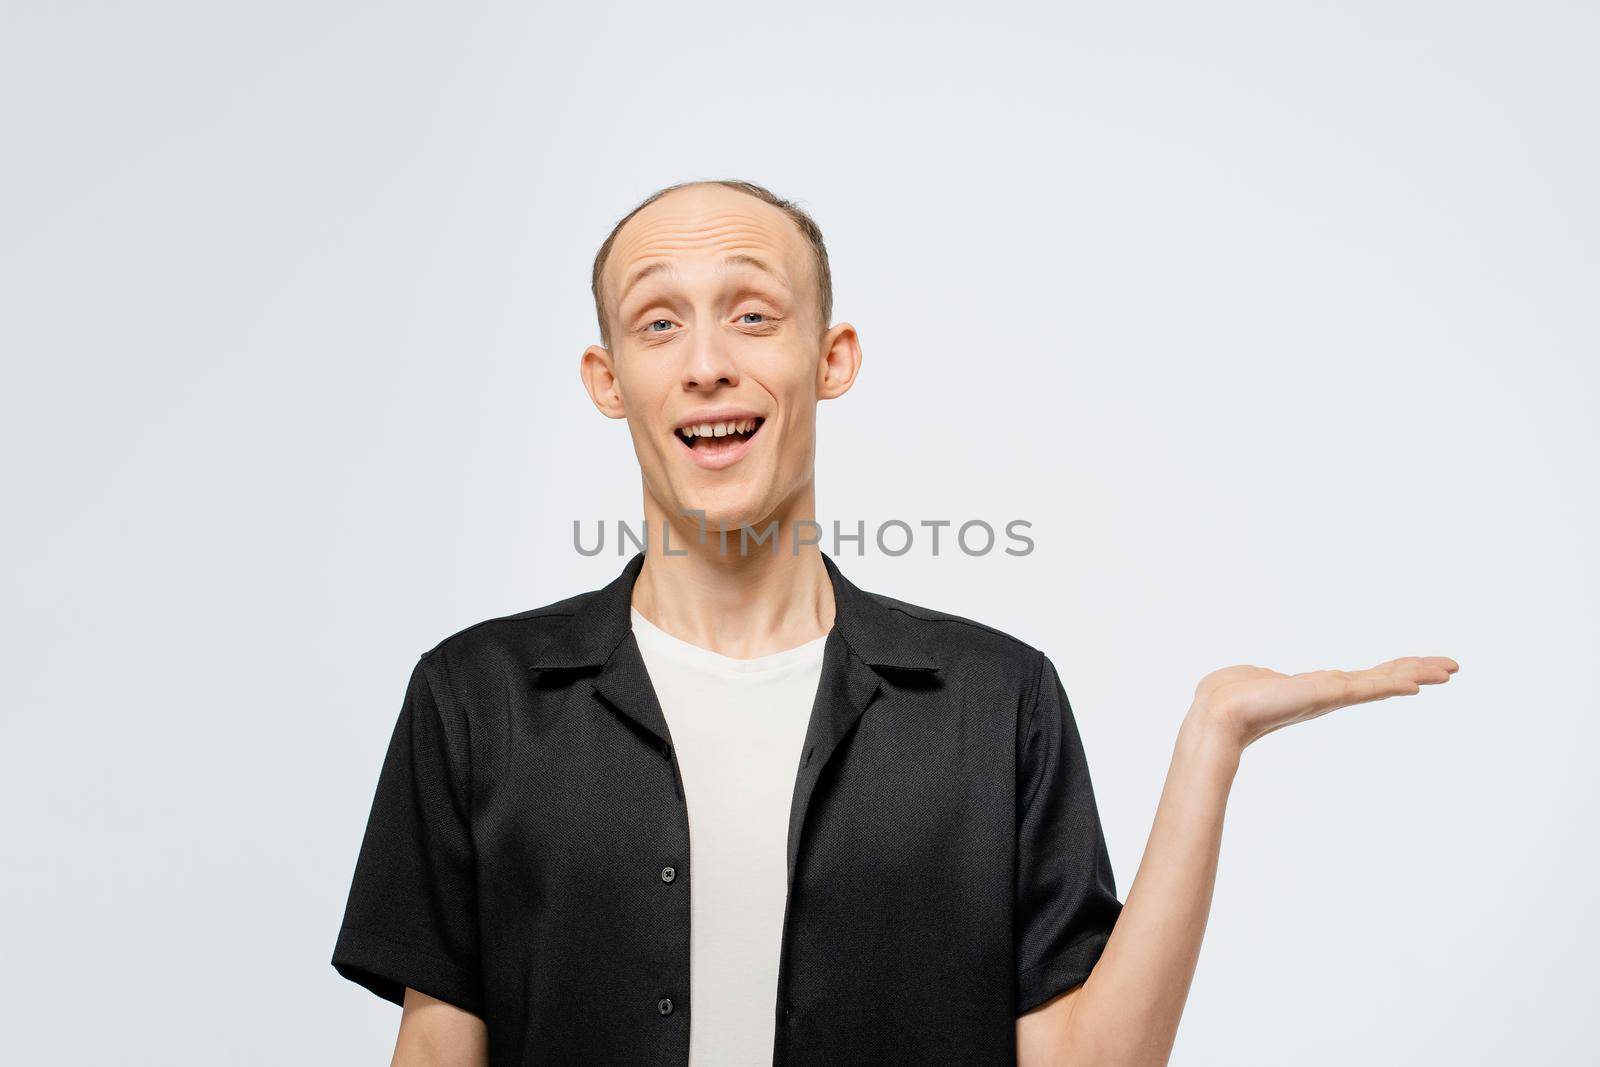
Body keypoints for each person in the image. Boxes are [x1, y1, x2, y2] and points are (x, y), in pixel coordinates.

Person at [331, 178, 1458, 1066]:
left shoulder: (992, 699)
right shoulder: (476, 697)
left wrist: (1212, 739)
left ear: (831, 359)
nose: (709, 363)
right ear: (607, 376)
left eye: (754, 313)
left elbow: (1081, 1061)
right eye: (659, 323)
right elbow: (438, 1044)